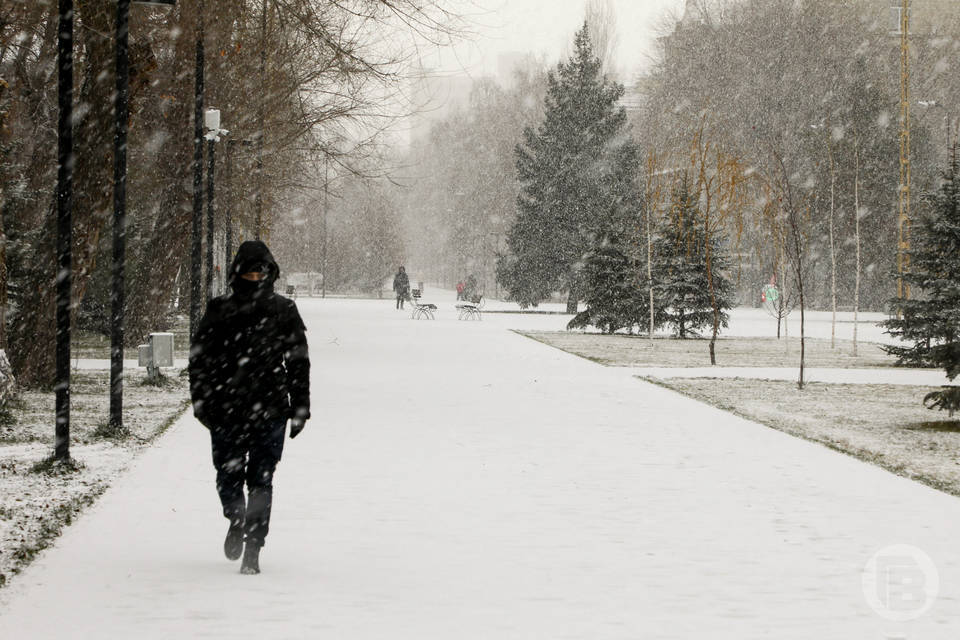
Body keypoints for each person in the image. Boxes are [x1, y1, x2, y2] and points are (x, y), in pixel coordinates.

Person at [189, 240, 310, 575]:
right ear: (237, 271)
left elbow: (298, 363)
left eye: (262, 270)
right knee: (228, 477)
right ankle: (236, 517)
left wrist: (300, 407)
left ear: (270, 272)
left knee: (261, 480)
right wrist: (201, 401)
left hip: (269, 410)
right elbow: (199, 361)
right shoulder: (219, 309)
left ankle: (254, 545)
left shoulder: (284, 310)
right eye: (250, 269)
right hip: (226, 409)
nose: (256, 276)